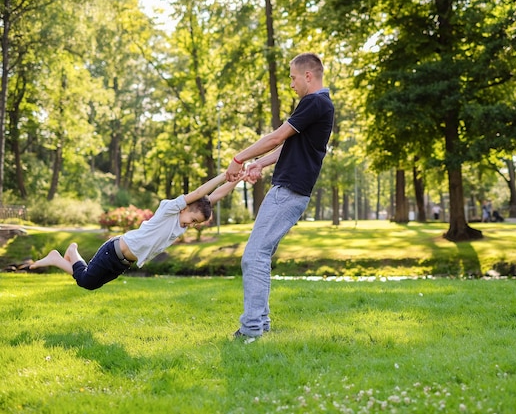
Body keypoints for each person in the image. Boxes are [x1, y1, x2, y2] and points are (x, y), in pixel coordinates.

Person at [225, 52, 334, 342]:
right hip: (289, 190)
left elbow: (276, 136)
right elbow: (289, 146)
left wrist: (239, 158)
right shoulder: (319, 105)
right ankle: (260, 323)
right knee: (258, 255)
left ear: (308, 76)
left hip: (289, 191)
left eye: (293, 77)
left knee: (254, 256)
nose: (291, 84)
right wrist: (260, 163)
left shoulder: (315, 101)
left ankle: (251, 331)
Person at [30, 173, 240, 290]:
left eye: (196, 224)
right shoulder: (169, 210)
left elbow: (213, 197)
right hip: (113, 252)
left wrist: (237, 179)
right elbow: (199, 193)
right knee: (86, 282)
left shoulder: (183, 221)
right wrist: (225, 173)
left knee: (90, 283)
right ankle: (65, 254)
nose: (192, 225)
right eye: (193, 220)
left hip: (124, 261)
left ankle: (63, 257)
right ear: (184, 207)